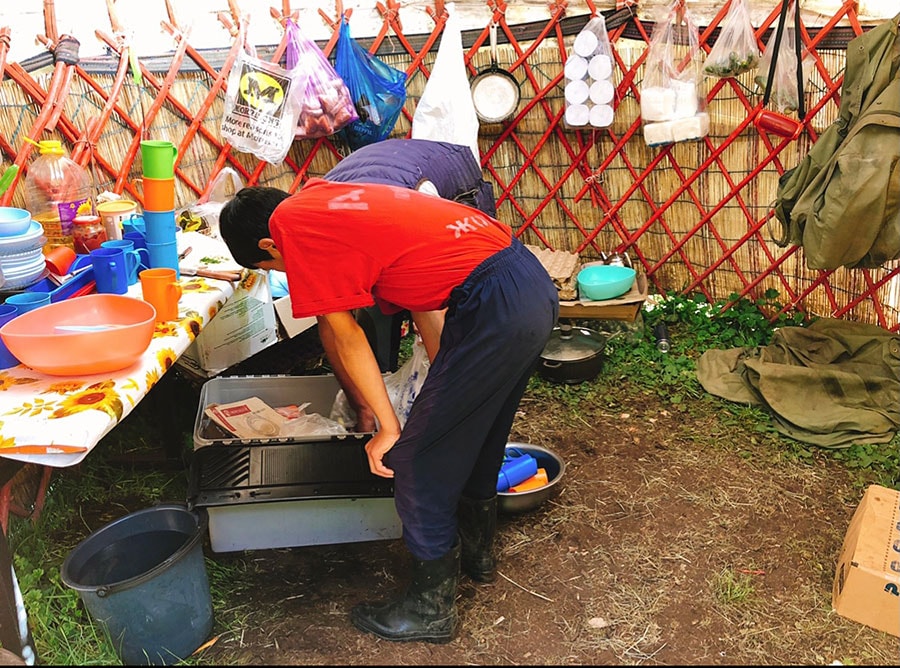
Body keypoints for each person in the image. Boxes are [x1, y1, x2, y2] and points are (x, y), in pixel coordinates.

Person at [218, 178, 559, 644]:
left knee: (415, 460)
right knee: (478, 434)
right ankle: (478, 558)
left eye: (274, 265)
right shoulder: (320, 199)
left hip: (492, 303)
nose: (289, 272)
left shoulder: (290, 227)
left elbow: (345, 333)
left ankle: (430, 610)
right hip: (526, 283)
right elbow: (416, 293)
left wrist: (389, 427)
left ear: (267, 244)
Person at [322, 138, 497, 372]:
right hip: (383, 177)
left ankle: (463, 377)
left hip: (448, 170)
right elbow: (331, 321)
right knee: (382, 296)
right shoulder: (317, 228)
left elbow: (427, 297)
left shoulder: (402, 216)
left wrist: (444, 389)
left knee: (456, 298)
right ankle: (385, 371)